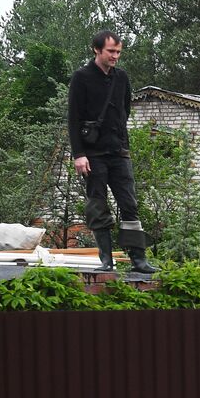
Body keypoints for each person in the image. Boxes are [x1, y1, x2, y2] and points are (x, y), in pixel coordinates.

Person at [67, 30, 156, 274]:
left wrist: (120, 141)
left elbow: (124, 111)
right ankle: (106, 261)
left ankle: (139, 259)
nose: (115, 56)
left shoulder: (122, 78)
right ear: (97, 50)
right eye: (111, 51)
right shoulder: (81, 77)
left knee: (129, 204)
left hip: (119, 152)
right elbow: (73, 119)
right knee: (98, 204)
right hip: (92, 154)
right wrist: (78, 154)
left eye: (118, 52)